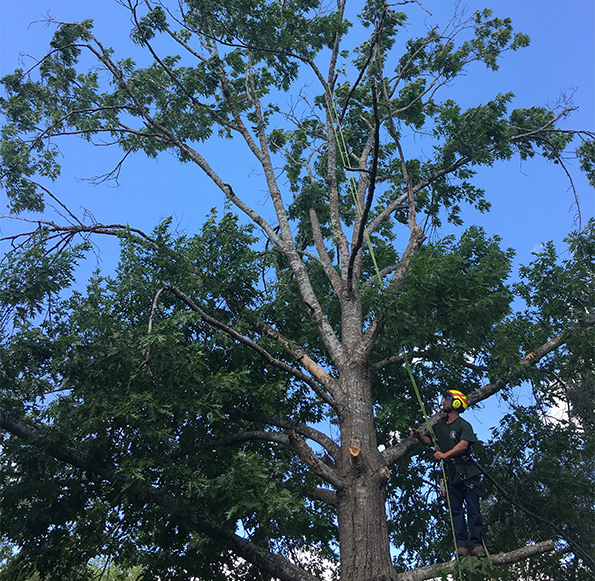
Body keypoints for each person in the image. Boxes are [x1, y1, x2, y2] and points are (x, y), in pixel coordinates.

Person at [410, 389, 486, 558]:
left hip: (467, 473)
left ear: (456, 403)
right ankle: (461, 546)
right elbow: (431, 441)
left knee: (473, 510)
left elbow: (464, 445)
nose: (444, 402)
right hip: (451, 476)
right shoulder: (440, 427)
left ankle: (476, 544)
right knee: (456, 511)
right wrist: (419, 437)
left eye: (447, 399)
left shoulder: (463, 425)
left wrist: (445, 455)